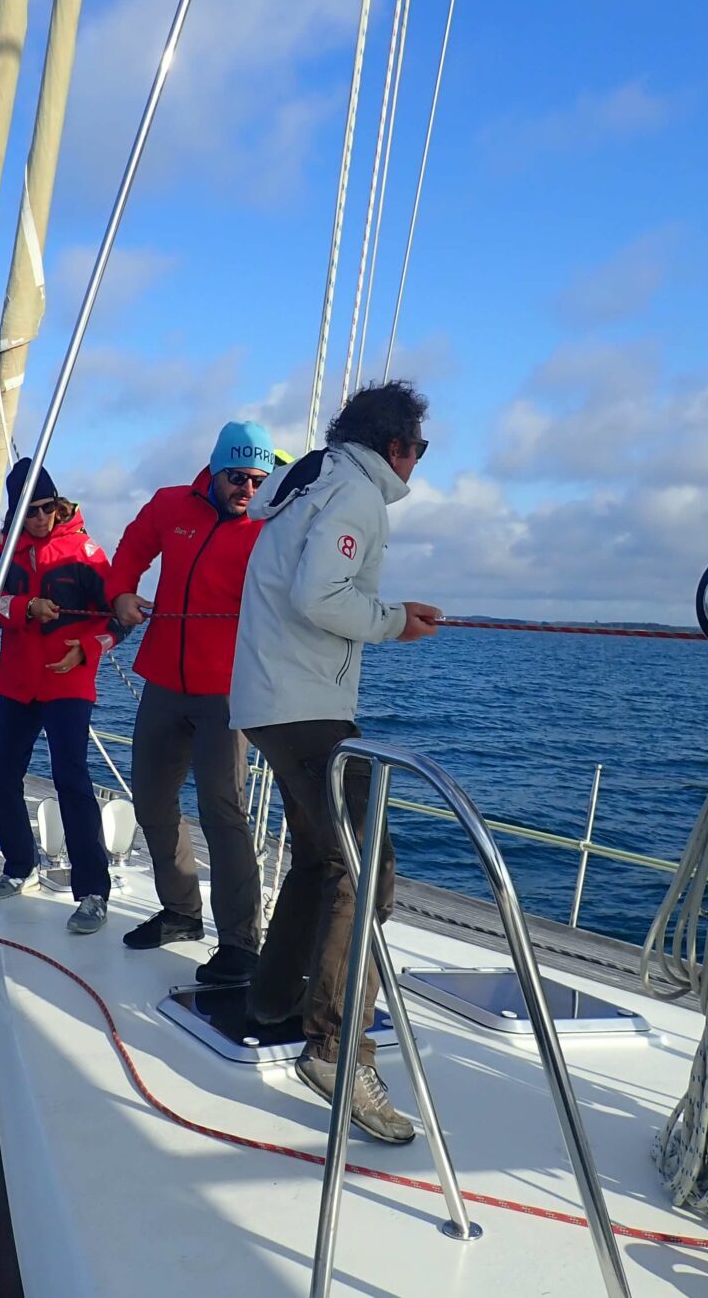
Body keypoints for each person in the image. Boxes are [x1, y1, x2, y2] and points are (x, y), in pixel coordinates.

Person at [229, 381, 441, 1145]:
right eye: (419, 449)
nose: (418, 462)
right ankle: (335, 1051)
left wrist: (386, 618)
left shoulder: (309, 481)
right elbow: (321, 595)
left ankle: (275, 999)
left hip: (269, 697)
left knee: (323, 862)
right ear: (396, 448)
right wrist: (392, 623)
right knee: (365, 870)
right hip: (304, 701)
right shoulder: (356, 495)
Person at [107, 421, 274, 985]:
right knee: (152, 801)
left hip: (228, 694)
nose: (247, 489)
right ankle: (180, 912)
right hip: (163, 680)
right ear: (214, 470)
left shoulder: (272, 528)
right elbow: (131, 548)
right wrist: (122, 592)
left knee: (222, 813)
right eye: (237, 477)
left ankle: (241, 944)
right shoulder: (171, 505)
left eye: (258, 479)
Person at [0, 460, 119, 934]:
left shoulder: (87, 552)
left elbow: (120, 617)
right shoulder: (1, 549)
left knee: (70, 778)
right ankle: (19, 866)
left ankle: (93, 891)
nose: (40, 518)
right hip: (17, 680)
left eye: (47, 508)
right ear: (15, 513)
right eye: (30, 511)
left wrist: (88, 649)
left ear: (59, 505)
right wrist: (23, 607)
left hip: (68, 681)